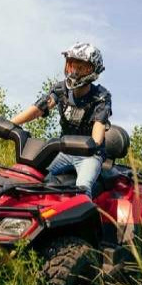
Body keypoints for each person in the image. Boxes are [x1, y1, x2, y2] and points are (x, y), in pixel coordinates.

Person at [11, 42, 111, 197]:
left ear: (92, 70)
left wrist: (93, 144)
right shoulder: (61, 89)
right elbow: (40, 108)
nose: (75, 71)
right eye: (72, 65)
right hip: (64, 150)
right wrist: (11, 123)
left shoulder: (101, 97)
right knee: (31, 173)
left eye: (81, 67)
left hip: (90, 155)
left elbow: (98, 134)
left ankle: (84, 218)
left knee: (82, 189)